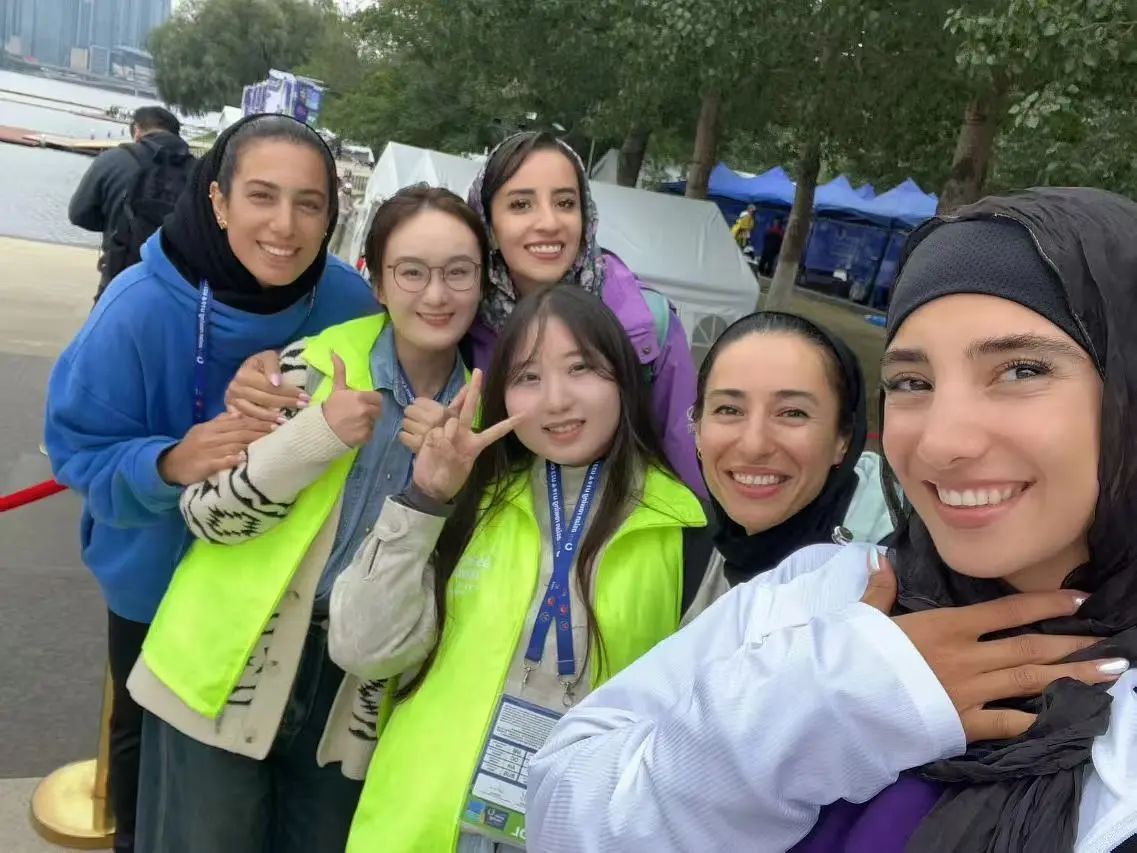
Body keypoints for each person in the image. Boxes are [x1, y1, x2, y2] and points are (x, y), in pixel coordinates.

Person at [525, 187, 1137, 852]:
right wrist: (822, 706)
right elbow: (562, 809)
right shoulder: (822, 597)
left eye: (1019, 370)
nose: (939, 443)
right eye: (912, 382)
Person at [43, 113, 377, 853]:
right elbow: (75, 451)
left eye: (309, 203)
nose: (284, 226)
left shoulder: (349, 304)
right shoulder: (137, 307)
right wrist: (168, 462)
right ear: (218, 200)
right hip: (158, 582)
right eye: (261, 196)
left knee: (268, 779)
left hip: (279, 592)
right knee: (144, 761)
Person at [125, 184, 485, 852]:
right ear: (377, 282)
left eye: (458, 272)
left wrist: (443, 488)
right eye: (411, 271)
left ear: (482, 281)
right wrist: (313, 436)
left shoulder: (482, 425)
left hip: (358, 691)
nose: (436, 294)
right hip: (223, 669)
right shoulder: (309, 366)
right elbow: (206, 514)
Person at [328, 284, 711, 851]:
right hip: (421, 829)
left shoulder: (685, 530)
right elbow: (362, 649)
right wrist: (424, 498)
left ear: (624, 380)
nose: (556, 400)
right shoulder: (467, 501)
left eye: (581, 368)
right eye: (528, 376)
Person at [222, 131, 705, 496]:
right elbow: (369, 332)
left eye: (565, 202)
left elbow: (686, 467)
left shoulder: (644, 324)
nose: (548, 222)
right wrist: (270, 364)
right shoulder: (461, 320)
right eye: (521, 204)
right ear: (488, 221)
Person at [688, 311, 892, 607]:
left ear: (844, 439)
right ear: (697, 429)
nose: (754, 446)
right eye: (729, 409)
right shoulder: (686, 545)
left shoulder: (904, 580)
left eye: (793, 413)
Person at [68, 106, 190, 299]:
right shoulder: (199, 171)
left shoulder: (113, 159)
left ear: (137, 130)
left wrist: (115, 224)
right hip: (178, 286)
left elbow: (79, 214)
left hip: (119, 275)